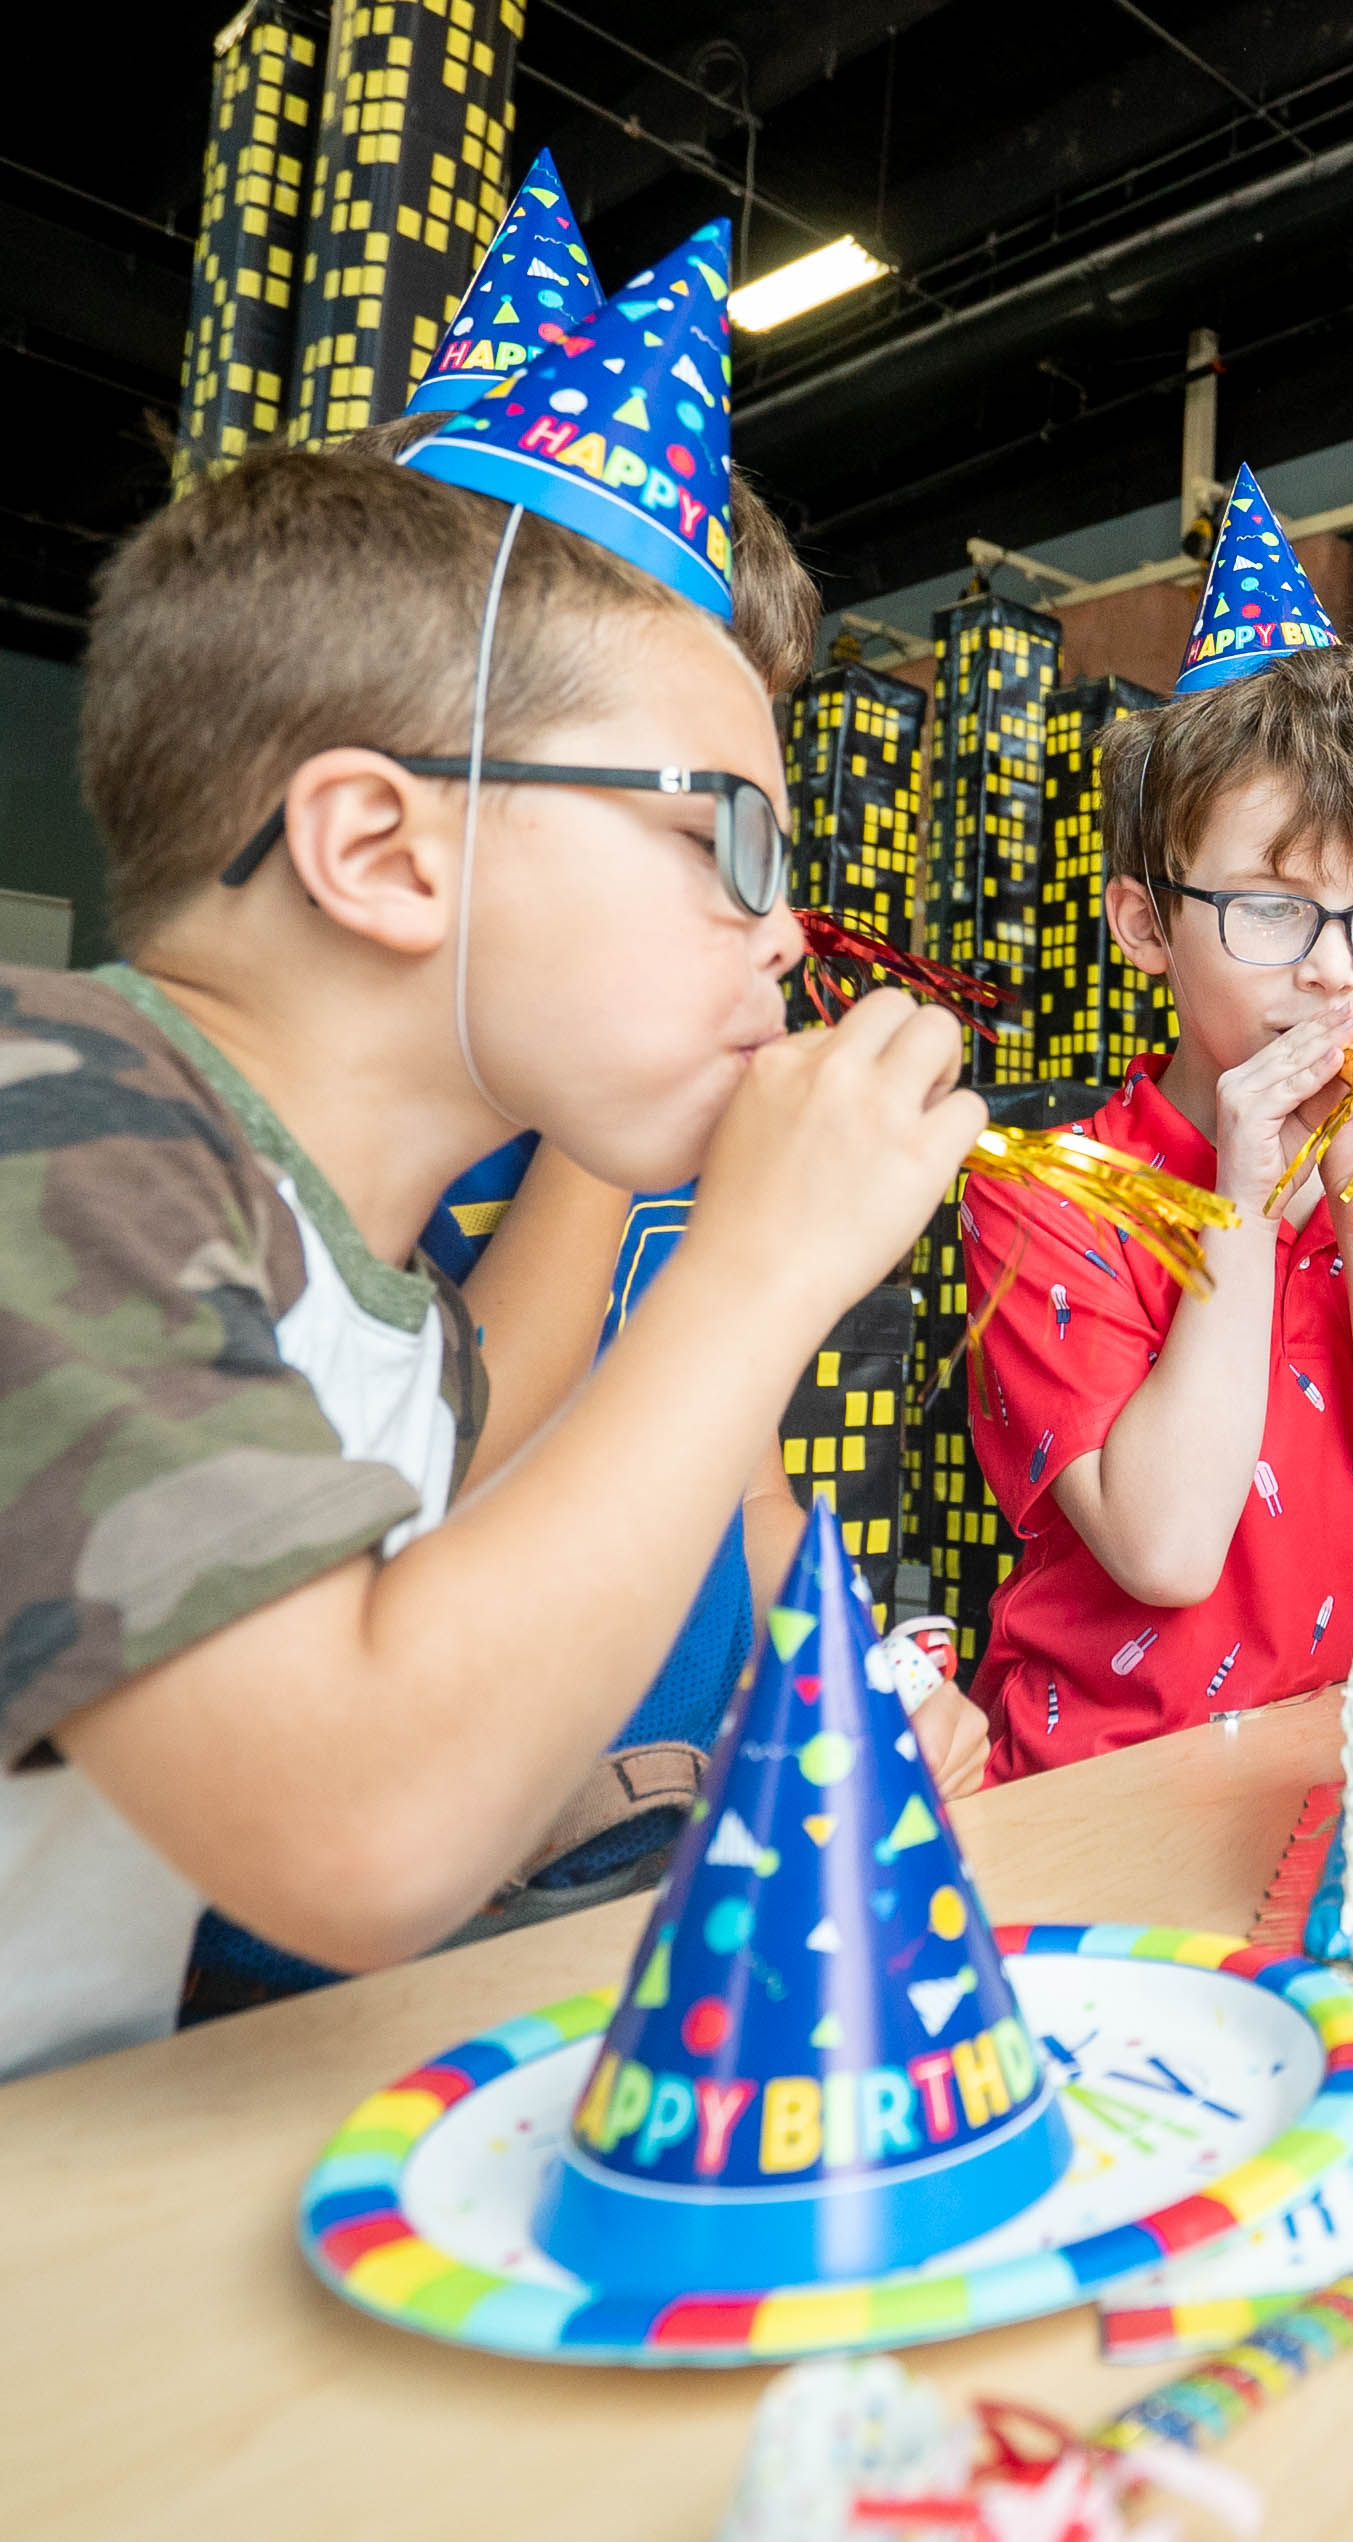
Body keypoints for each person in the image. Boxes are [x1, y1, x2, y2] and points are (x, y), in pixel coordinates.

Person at [0, 438, 978, 2082]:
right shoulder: (52, 1124)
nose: (790, 931)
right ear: (381, 849)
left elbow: (480, 1604)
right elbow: (365, 1833)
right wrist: (755, 1266)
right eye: (721, 840)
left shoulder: (375, 1300)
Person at [959, 638, 1353, 1780]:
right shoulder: (1051, 1190)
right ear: (1147, 925)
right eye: (1273, 911)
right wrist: (1240, 1203)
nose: (1335, 976)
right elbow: (1167, 1545)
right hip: (1100, 1780)